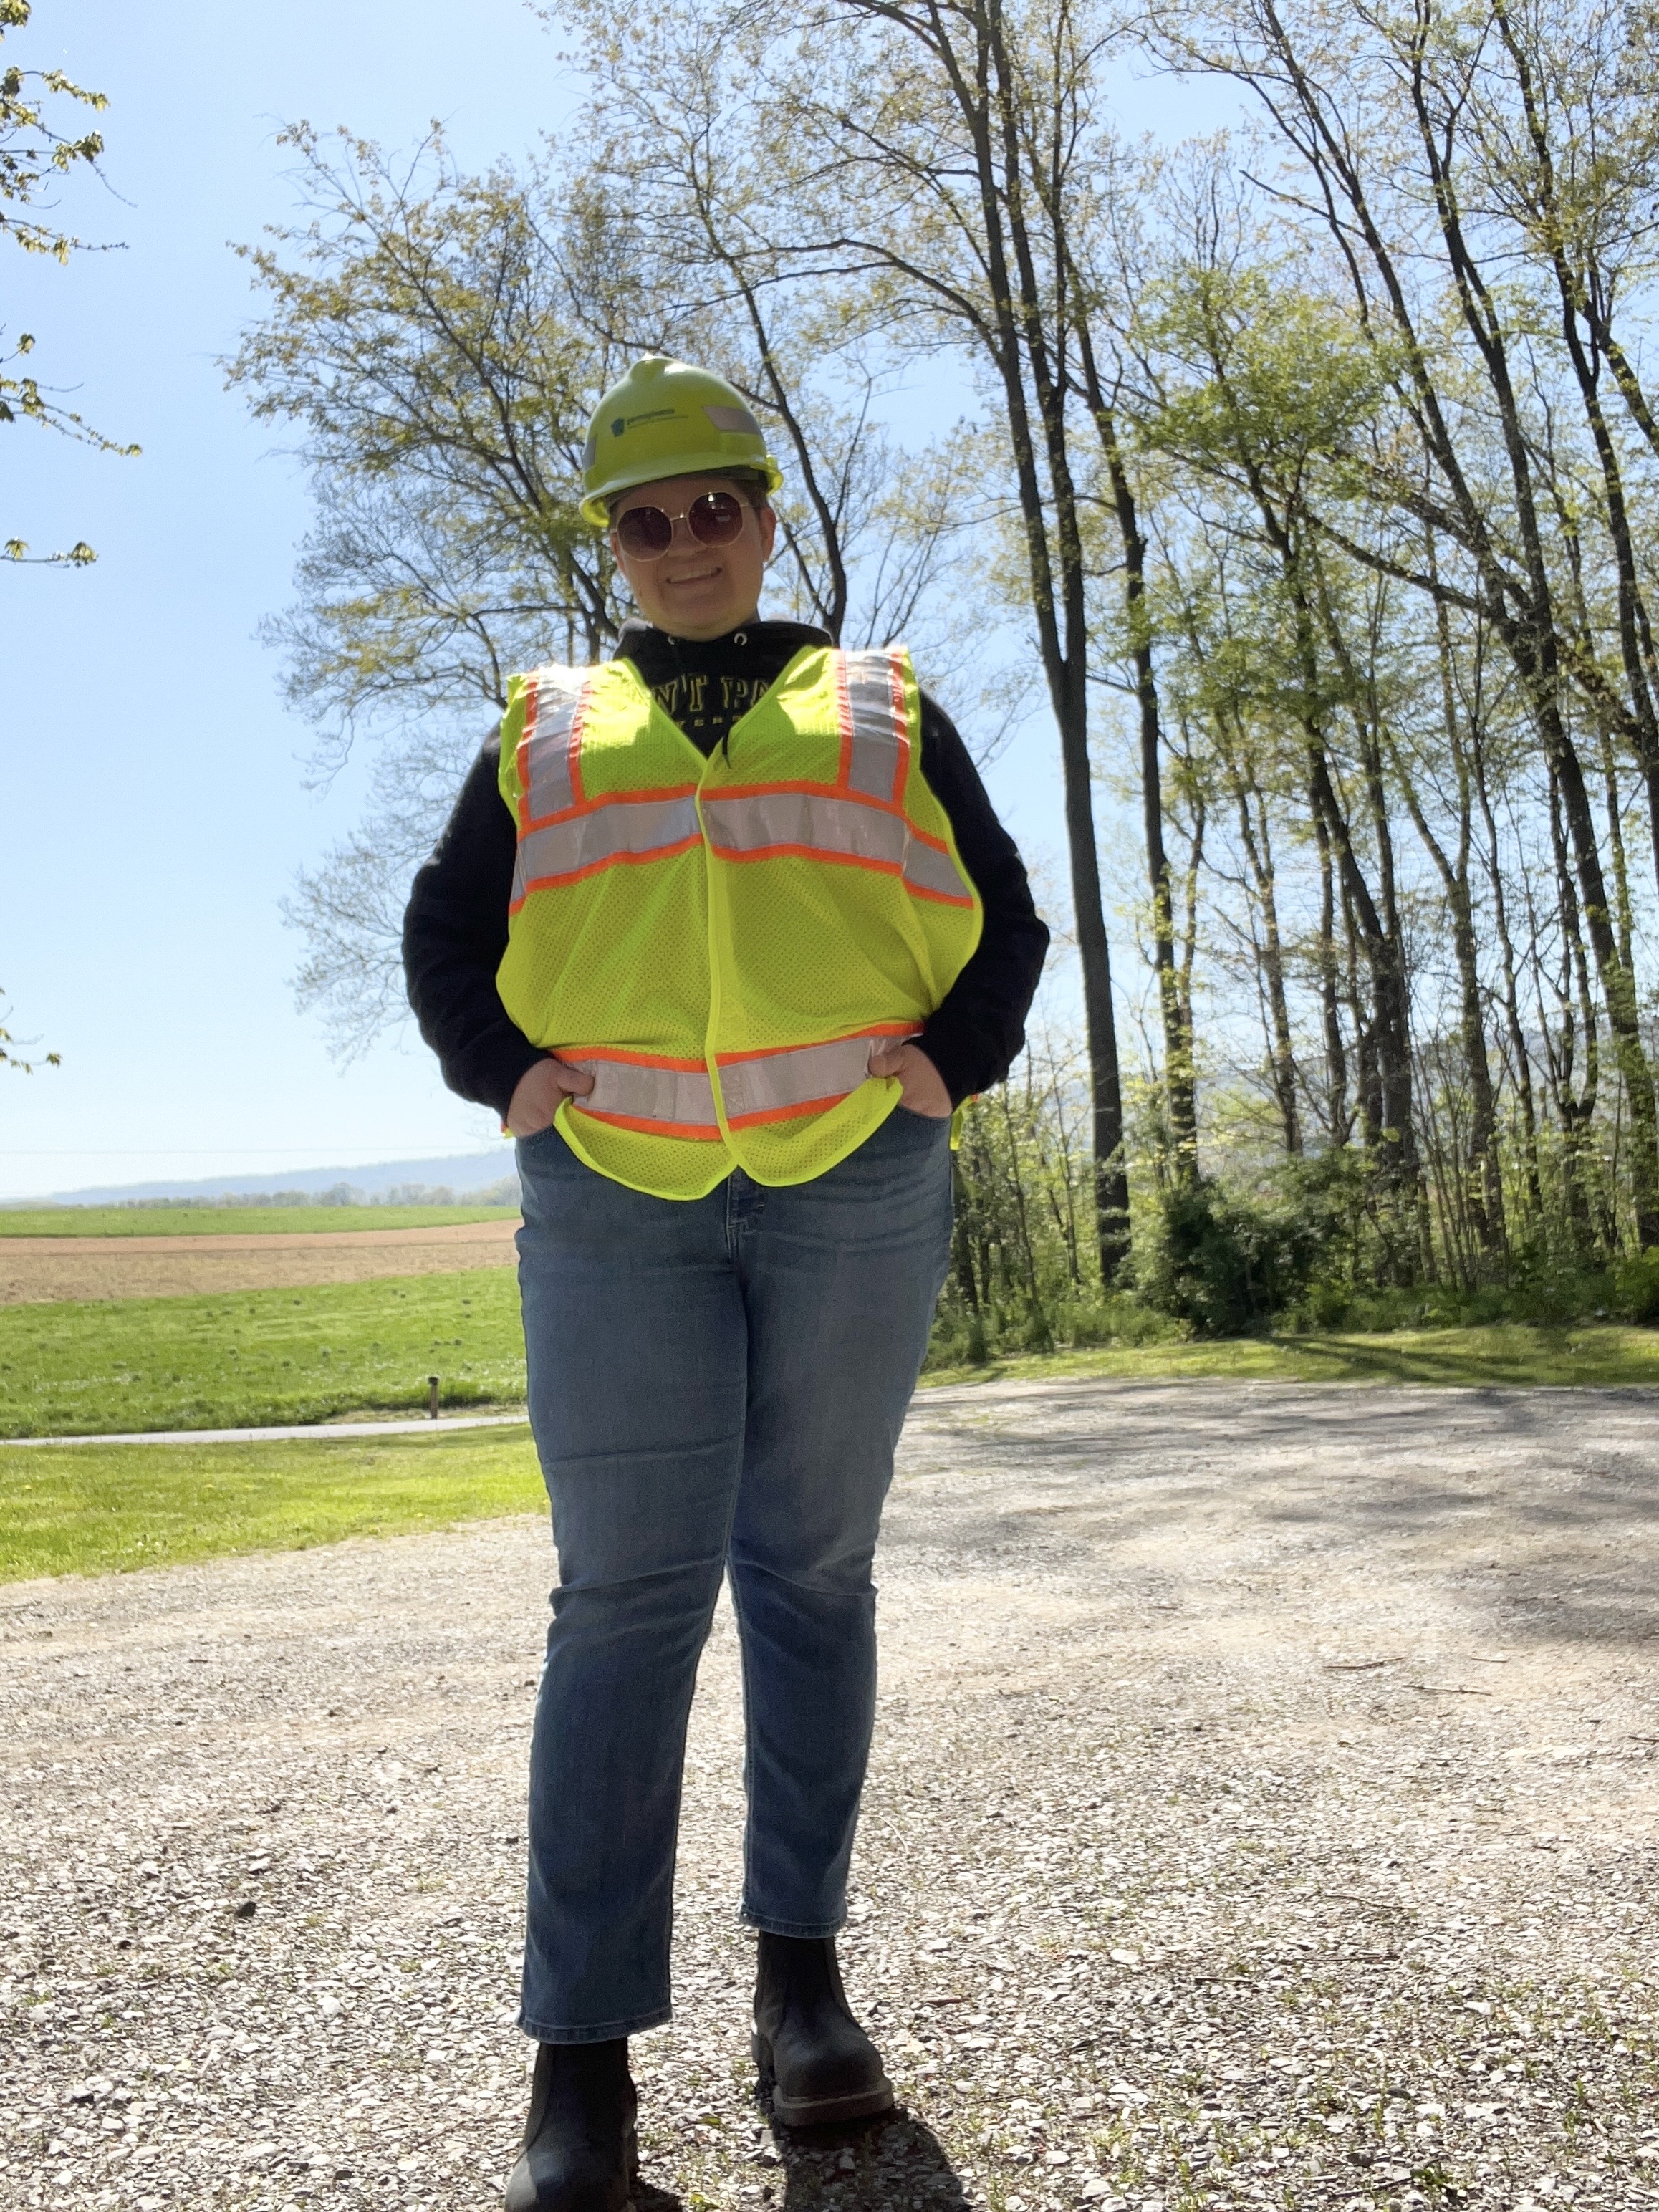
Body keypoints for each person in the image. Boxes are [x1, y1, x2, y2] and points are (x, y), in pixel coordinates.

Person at [403, 355, 1048, 2212]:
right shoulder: (543, 720)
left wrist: (960, 1056)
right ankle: (580, 2068)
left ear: (767, 519)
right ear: (605, 545)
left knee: (811, 1577)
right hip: (611, 1195)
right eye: (643, 517)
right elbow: (448, 926)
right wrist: (499, 1076)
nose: (684, 542)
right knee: (620, 1603)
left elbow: (998, 905)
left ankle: (801, 1993)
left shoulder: (877, 698)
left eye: (715, 507)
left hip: (852, 1178)